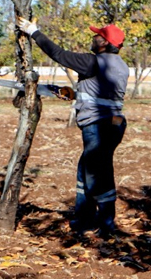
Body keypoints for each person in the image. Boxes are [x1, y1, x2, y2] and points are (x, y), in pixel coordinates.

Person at [16, 16, 129, 234]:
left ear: (104, 43)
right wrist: (76, 94)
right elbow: (103, 94)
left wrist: (33, 31)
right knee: (87, 171)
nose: (93, 37)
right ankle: (84, 219)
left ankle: (106, 224)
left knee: (97, 174)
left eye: (97, 35)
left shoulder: (93, 62)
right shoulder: (120, 66)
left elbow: (58, 54)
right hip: (113, 124)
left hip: (98, 126)